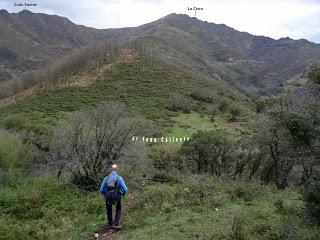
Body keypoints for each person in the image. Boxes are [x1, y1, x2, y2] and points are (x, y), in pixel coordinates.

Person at [100, 164, 127, 228]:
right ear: (117, 169)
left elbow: (101, 190)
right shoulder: (119, 178)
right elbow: (125, 189)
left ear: (111, 170)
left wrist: (106, 193)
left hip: (108, 197)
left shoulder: (106, 178)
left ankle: (110, 223)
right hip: (116, 197)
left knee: (108, 209)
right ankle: (116, 223)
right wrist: (122, 193)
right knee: (118, 208)